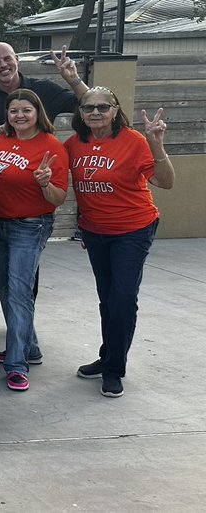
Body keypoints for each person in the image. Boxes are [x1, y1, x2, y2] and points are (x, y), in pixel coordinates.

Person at [66, 87, 174, 398]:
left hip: (133, 230)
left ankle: (114, 369)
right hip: (96, 232)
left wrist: (158, 146)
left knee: (123, 299)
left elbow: (166, 182)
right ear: (81, 113)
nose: (95, 113)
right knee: (107, 298)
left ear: (115, 110)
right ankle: (108, 356)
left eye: (103, 107)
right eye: (89, 108)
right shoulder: (74, 144)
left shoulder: (134, 141)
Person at [0, 90, 69, 392]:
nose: (19, 115)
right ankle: (29, 347)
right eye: (14, 110)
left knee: (19, 292)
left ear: (38, 113)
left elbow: (58, 197)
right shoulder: (3, 139)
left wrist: (46, 184)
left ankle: (17, 364)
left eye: (26, 110)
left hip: (30, 226)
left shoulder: (51, 146)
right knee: (4, 288)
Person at [0, 43, 89, 140]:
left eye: (7, 58)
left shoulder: (44, 89)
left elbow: (89, 103)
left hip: (39, 162)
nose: (3, 65)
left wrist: (73, 79)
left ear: (17, 59)